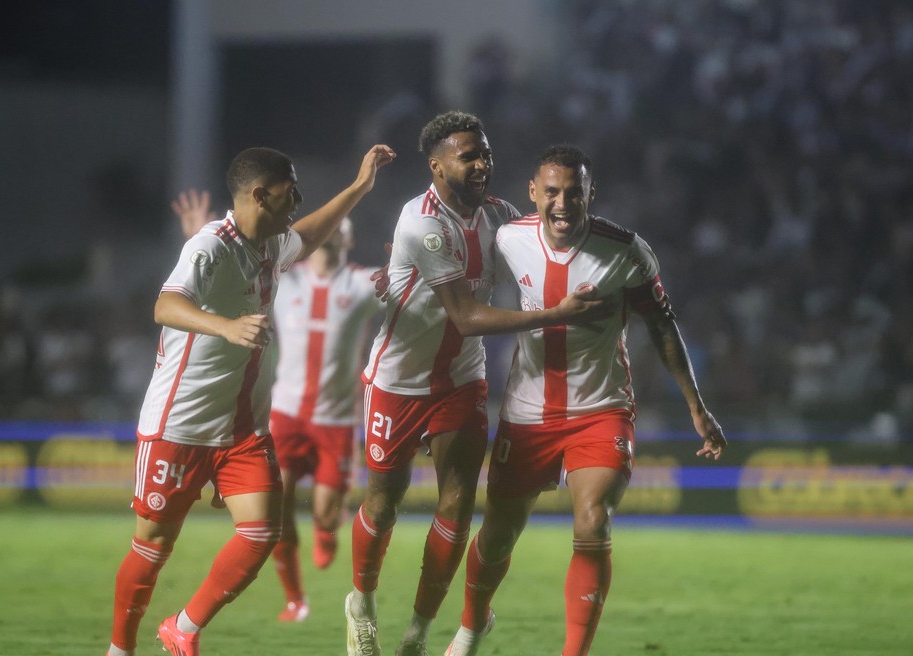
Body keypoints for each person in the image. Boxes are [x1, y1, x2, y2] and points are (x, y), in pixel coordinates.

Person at [105, 143, 395, 656]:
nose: (300, 198)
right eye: (292, 189)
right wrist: (226, 326)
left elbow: (306, 238)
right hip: (180, 423)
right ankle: (120, 649)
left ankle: (183, 628)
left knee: (262, 531)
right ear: (261, 194)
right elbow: (165, 304)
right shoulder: (209, 246)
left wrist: (358, 189)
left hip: (242, 428)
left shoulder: (272, 244)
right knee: (152, 545)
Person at [442, 144, 727, 656]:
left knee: (593, 518)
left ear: (590, 194)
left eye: (575, 193)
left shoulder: (626, 250)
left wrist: (695, 404)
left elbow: (662, 325)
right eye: (551, 192)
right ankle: (471, 626)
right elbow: (454, 283)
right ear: (533, 194)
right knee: (499, 535)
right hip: (528, 414)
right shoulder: (508, 238)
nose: (563, 203)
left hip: (601, 410)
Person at [345, 112, 608, 656]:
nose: (483, 163)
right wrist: (556, 314)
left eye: (485, 153)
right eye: (469, 156)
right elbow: (465, 316)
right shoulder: (420, 221)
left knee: (459, 503)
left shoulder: (502, 216)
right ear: (437, 165)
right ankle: (362, 602)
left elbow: (542, 253)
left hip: (462, 380)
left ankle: (417, 634)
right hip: (398, 379)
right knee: (384, 501)